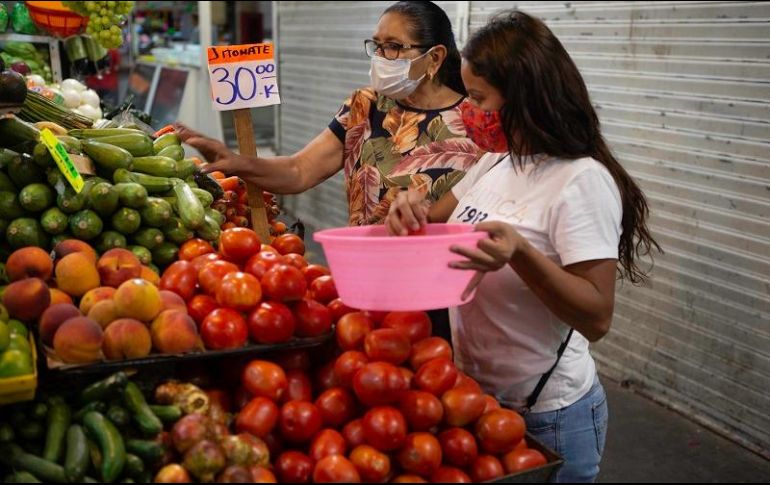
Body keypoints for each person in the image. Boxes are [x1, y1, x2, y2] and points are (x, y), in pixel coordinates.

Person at [386, 10, 661, 483]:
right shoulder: (495, 163)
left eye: (477, 98)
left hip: (548, 414)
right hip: (478, 396)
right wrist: (406, 206)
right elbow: (430, 223)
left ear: (526, 99)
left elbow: (597, 317)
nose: (468, 111)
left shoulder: (581, 182)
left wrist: (521, 254)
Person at [176, 1, 483, 342]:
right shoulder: (364, 107)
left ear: (435, 57)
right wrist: (236, 161)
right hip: (366, 283)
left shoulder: (476, 124)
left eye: (394, 47)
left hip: (444, 294)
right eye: (377, 45)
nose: (381, 57)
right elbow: (299, 169)